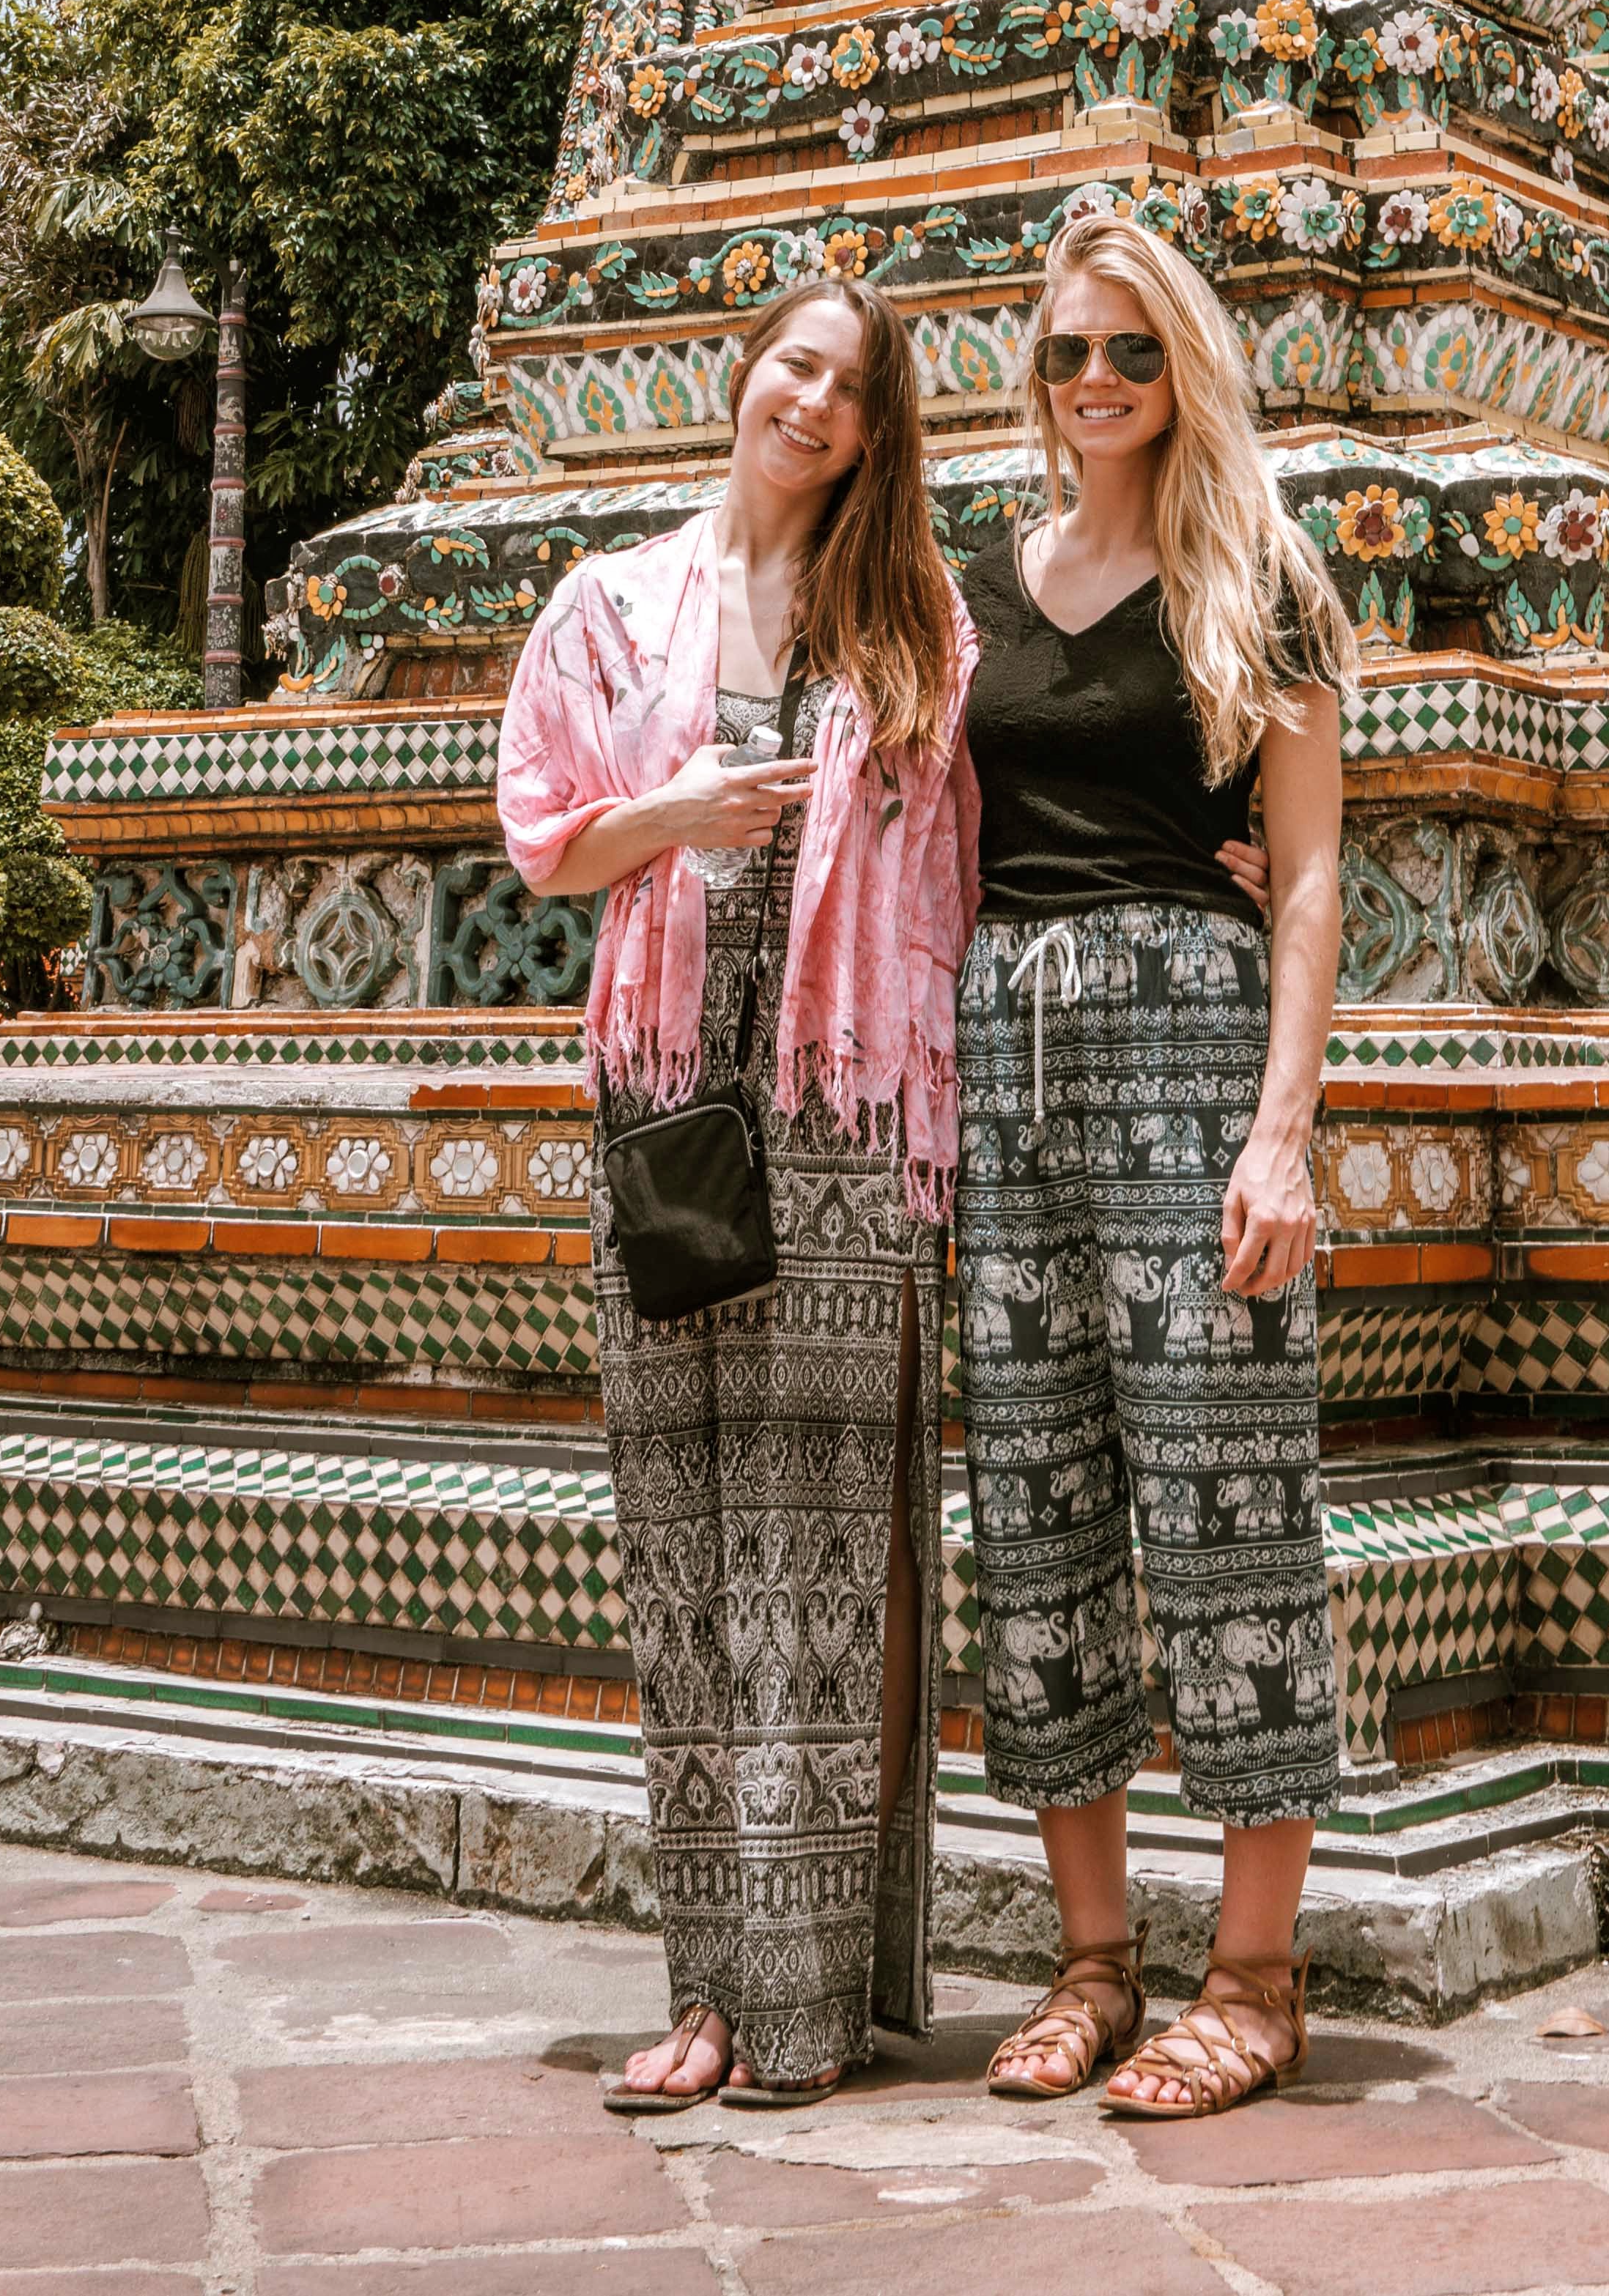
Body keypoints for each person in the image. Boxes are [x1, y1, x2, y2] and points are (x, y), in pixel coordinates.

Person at [497, 276, 978, 2113]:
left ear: (874, 430)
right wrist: (678, 812)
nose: (811, 402)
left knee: (824, 1561)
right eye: (793, 362)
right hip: (670, 1109)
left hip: (849, 1128)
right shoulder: (606, 606)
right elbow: (544, 838)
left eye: (849, 390)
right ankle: (706, 1991)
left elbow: (950, 889)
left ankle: (811, 2000)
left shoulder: (915, 623)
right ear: (740, 371)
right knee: (685, 1549)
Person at [952, 207, 1358, 2124]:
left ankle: (1257, 1974)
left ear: (1180, 364)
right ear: (1030, 376)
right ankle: (1091, 1959)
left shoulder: (1255, 574)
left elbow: (1310, 878)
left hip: (1192, 1054)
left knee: (1222, 1499)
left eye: (1128, 349)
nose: (1096, 380)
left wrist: (1285, 1133)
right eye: (1064, 353)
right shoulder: (972, 587)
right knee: (1033, 1507)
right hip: (1001, 1056)